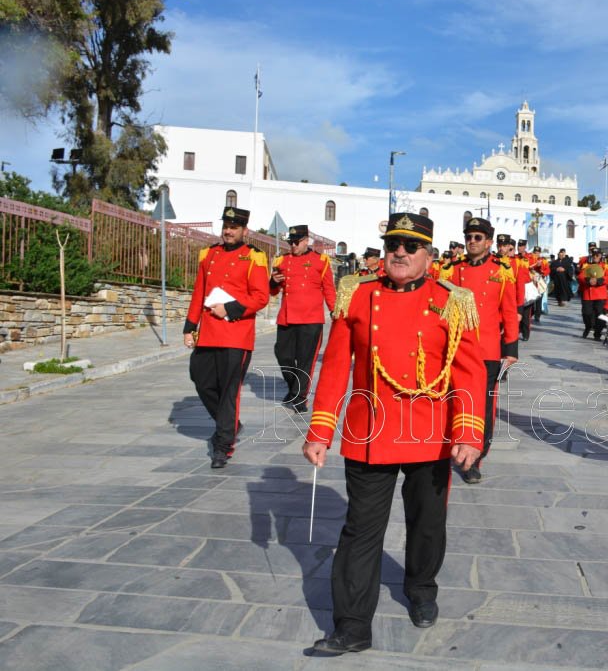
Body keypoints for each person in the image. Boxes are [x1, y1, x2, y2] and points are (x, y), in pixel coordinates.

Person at [304, 211, 486, 656]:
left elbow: (469, 373)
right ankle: (351, 626)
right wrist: (320, 429)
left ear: (429, 255)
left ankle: (422, 588)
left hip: (430, 433)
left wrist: (468, 433)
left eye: (410, 247)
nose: (399, 253)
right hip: (371, 432)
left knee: (427, 524)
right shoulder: (358, 295)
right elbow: (334, 367)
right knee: (360, 530)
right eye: (392, 245)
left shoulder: (452, 300)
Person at [183, 207, 269, 469]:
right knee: (201, 380)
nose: (228, 231)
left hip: (236, 335)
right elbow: (199, 292)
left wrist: (229, 309)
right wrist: (189, 326)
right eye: (226, 226)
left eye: (234, 227)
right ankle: (230, 425)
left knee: (229, 393)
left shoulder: (254, 257)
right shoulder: (209, 254)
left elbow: (260, 296)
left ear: (244, 230)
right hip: (208, 333)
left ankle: (223, 445)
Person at [441, 216, 518, 483]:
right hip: (454, 348)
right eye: (468, 237)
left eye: (477, 237)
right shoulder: (452, 270)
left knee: (484, 406)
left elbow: (509, 311)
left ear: (488, 242)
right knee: (451, 400)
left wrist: (510, 349)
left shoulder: (502, 271)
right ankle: (448, 446)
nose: (472, 242)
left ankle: (476, 457)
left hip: (487, 351)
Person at [270, 224, 336, 413]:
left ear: (306, 241)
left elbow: (329, 289)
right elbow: (273, 291)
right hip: (287, 317)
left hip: (311, 319)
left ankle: (300, 397)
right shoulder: (282, 260)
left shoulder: (321, 260)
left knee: (306, 360)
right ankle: (293, 388)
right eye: (290, 242)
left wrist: (334, 310)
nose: (293, 246)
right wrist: (272, 282)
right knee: (283, 356)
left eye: (297, 242)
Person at [578, 250, 608, 341]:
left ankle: (598, 332)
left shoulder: (605, 266)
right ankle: (588, 326)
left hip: (600, 294)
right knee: (586, 313)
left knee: (600, 315)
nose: (595, 257)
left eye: (597, 255)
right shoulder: (586, 265)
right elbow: (581, 276)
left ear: (601, 256)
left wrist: (598, 281)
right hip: (588, 294)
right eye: (594, 255)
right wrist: (588, 280)